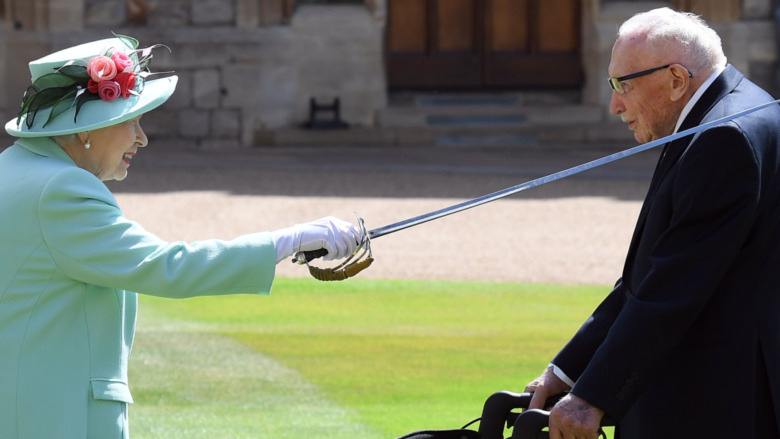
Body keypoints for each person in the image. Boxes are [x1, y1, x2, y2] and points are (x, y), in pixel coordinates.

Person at [0, 36, 362, 438]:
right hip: (53, 417)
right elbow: (166, 267)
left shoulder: (11, 169)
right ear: (87, 129)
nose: (142, 138)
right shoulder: (62, 190)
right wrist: (287, 240)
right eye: (130, 121)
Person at [524, 8, 780, 439]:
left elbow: (670, 291)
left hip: (720, 405)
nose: (614, 104)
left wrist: (591, 398)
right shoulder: (722, 113)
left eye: (625, 85)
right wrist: (568, 372)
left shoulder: (722, 137)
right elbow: (646, 277)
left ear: (677, 79)